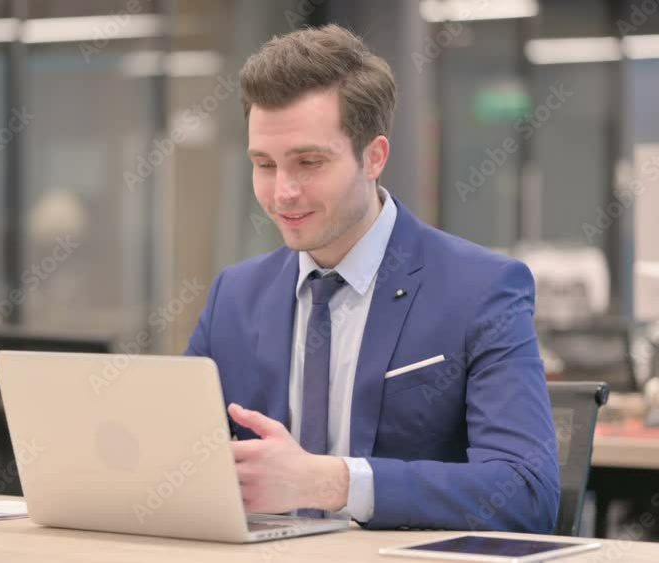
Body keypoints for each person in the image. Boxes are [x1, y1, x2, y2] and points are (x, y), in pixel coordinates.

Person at [185, 24, 559, 533]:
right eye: (264, 164)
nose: (283, 192)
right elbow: (177, 462)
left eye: (309, 162)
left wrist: (331, 482)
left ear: (374, 157)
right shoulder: (236, 295)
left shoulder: (481, 290)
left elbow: (527, 493)